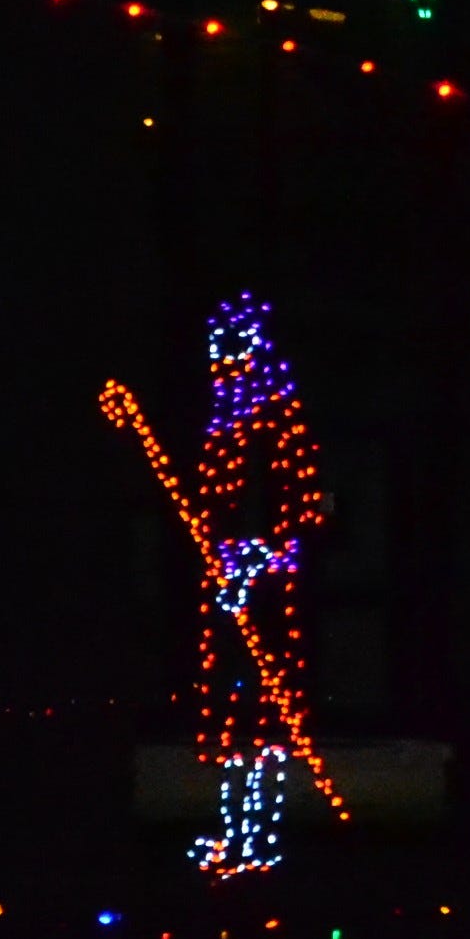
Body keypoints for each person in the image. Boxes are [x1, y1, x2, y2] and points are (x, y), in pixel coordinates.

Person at [181, 295, 326, 877]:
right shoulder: (222, 432)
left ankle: (260, 840)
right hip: (229, 600)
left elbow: (308, 519)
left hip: (268, 602)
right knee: (234, 725)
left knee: (265, 727)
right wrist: (220, 561)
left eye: (235, 353)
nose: (226, 366)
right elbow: (213, 518)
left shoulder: (281, 427)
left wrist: (259, 560)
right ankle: (234, 835)